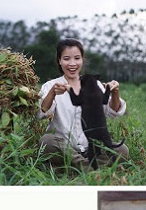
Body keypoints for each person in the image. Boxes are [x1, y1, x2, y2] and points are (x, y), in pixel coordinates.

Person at [37, 38, 129, 169]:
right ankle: (90, 167)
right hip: (64, 147)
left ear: (82, 60)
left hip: (91, 148)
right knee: (46, 141)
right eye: (67, 58)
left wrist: (115, 92)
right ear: (59, 60)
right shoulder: (51, 85)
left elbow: (112, 112)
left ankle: (78, 167)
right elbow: (41, 114)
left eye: (77, 58)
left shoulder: (94, 84)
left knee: (122, 150)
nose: (72, 63)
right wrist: (52, 93)